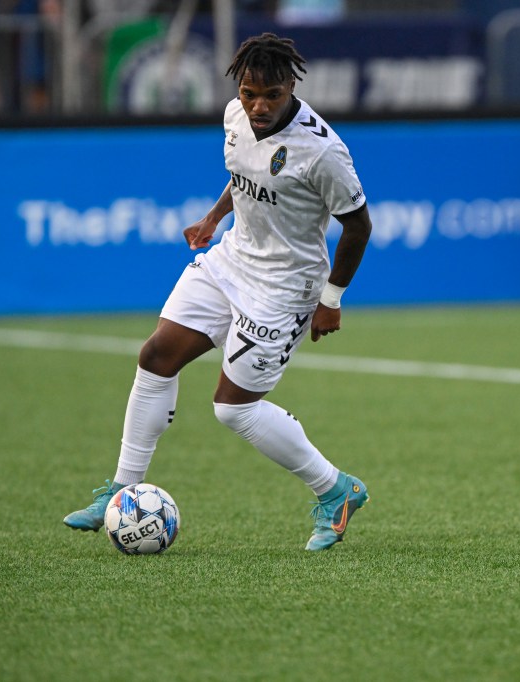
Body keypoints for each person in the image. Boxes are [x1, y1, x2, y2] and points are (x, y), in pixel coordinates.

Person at [63, 32, 372, 551]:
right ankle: (120, 490)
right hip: (231, 260)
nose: (258, 105)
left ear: (291, 86)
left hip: (284, 288)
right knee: (157, 354)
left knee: (233, 410)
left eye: (270, 95)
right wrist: (213, 216)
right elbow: (244, 174)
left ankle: (336, 490)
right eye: (250, 92)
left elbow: (358, 226)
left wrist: (331, 299)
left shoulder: (322, 151)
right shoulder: (235, 116)